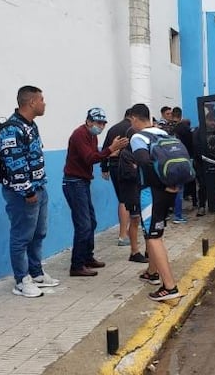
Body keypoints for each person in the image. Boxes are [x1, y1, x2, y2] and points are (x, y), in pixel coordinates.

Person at [0, 85, 57, 298]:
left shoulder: (31, 126)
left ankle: (36, 273)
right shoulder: (11, 129)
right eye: (41, 99)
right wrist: (28, 192)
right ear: (31, 102)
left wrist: (38, 188)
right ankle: (21, 280)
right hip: (23, 194)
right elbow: (14, 163)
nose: (44, 103)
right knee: (21, 236)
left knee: (38, 233)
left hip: (39, 188)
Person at [63, 107, 127, 277]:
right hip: (74, 182)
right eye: (98, 122)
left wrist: (109, 153)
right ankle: (76, 265)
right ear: (89, 121)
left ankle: (87, 257)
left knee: (91, 222)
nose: (101, 126)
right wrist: (110, 150)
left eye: (103, 123)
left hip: (82, 182)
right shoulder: (80, 135)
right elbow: (90, 158)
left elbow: (94, 156)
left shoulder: (91, 135)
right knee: (83, 224)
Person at [128, 103, 181, 301]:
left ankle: (169, 286)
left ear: (134, 118)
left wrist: (161, 183)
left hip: (152, 192)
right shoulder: (163, 133)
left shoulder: (138, 137)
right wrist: (172, 184)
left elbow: (143, 161)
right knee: (156, 230)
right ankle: (152, 272)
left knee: (153, 237)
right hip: (170, 191)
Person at [101, 108, 147, 263]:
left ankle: (125, 236)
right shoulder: (129, 151)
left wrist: (104, 167)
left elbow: (105, 149)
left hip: (117, 169)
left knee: (132, 211)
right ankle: (125, 238)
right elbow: (133, 172)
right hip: (129, 185)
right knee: (128, 207)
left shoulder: (114, 129)